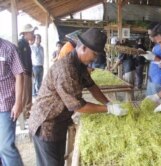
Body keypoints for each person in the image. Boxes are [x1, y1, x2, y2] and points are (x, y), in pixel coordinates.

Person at [28, 28, 127, 166]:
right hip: (47, 124)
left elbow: (91, 86)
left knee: (57, 161)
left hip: (60, 121)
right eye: (94, 54)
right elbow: (78, 106)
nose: (95, 58)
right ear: (83, 48)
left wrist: (108, 102)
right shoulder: (66, 69)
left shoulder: (80, 64)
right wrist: (108, 109)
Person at [0, 38, 24, 166]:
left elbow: (19, 75)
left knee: (5, 147)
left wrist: (18, 102)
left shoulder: (8, 48)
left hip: (6, 104)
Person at [142, 24, 161, 95]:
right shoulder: (156, 46)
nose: (149, 36)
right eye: (148, 34)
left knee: (156, 103)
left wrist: (154, 58)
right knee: (150, 102)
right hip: (151, 79)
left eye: (151, 34)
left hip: (159, 80)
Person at [18, 24, 37, 119]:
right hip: (24, 73)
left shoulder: (27, 44)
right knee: (25, 94)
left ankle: (27, 111)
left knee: (29, 93)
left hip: (28, 72)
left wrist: (31, 70)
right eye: (31, 33)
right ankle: (24, 113)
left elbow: (28, 59)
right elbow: (18, 59)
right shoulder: (20, 43)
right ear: (25, 33)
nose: (33, 34)